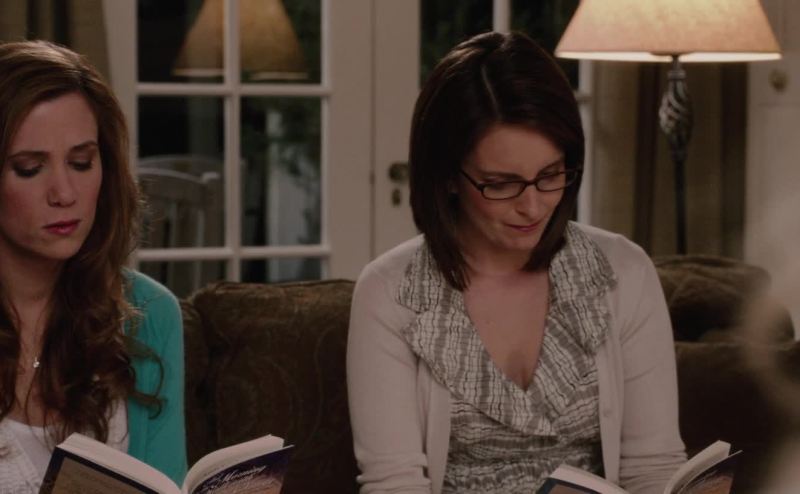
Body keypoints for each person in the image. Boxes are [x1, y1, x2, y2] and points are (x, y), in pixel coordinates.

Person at [347, 32, 686, 494]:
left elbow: (653, 467)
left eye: (551, 175)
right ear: (447, 177)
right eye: (501, 183)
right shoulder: (389, 293)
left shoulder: (623, 273)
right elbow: (394, 485)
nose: (532, 206)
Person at [0, 40, 186, 491]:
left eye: (82, 162)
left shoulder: (150, 313)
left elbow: (166, 481)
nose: (64, 193)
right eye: (30, 168)